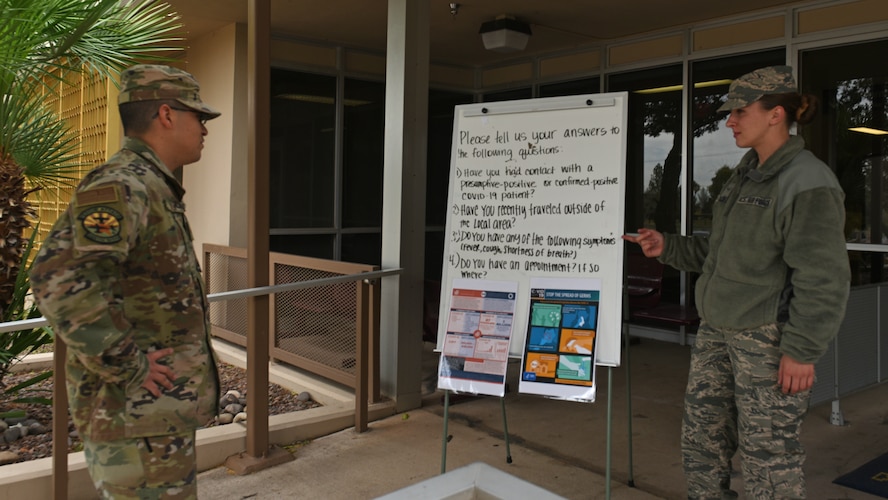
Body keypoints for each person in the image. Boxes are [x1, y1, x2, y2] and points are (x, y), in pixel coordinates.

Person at [623, 65, 850, 499]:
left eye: (739, 111)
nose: (728, 120)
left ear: (775, 114)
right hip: (717, 331)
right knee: (701, 443)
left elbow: (823, 278)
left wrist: (801, 350)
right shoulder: (744, 175)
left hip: (766, 338)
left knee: (769, 459)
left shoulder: (807, 182)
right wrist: (666, 246)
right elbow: (718, 255)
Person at [29, 64, 222, 499]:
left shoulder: (150, 184)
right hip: (134, 417)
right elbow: (58, 278)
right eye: (200, 117)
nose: (205, 129)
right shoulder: (124, 184)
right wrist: (127, 363)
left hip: (152, 416)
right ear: (167, 115)